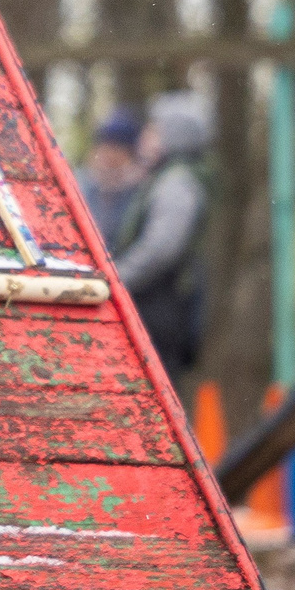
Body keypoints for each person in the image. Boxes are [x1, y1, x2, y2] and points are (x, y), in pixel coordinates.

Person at [114, 92, 211, 380]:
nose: (145, 136)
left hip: (161, 309)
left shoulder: (176, 183)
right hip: (160, 305)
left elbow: (162, 248)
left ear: (175, 137)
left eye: (154, 129)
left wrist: (117, 278)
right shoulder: (165, 177)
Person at [76, 106, 145, 246]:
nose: (109, 154)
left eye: (117, 148)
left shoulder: (139, 189)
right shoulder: (79, 181)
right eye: (105, 146)